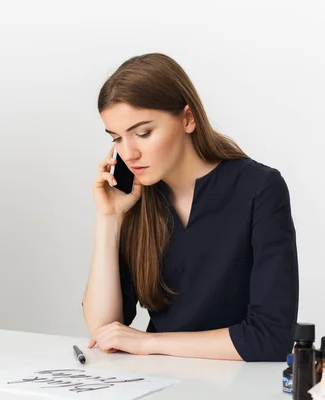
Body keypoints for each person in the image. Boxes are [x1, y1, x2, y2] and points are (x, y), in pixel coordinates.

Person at [82, 53, 299, 362]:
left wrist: (149, 343)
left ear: (187, 119)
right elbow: (104, 331)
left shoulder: (259, 188)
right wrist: (109, 218)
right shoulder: (138, 198)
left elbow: (270, 338)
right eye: (117, 138)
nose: (128, 153)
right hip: (157, 382)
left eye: (143, 133)